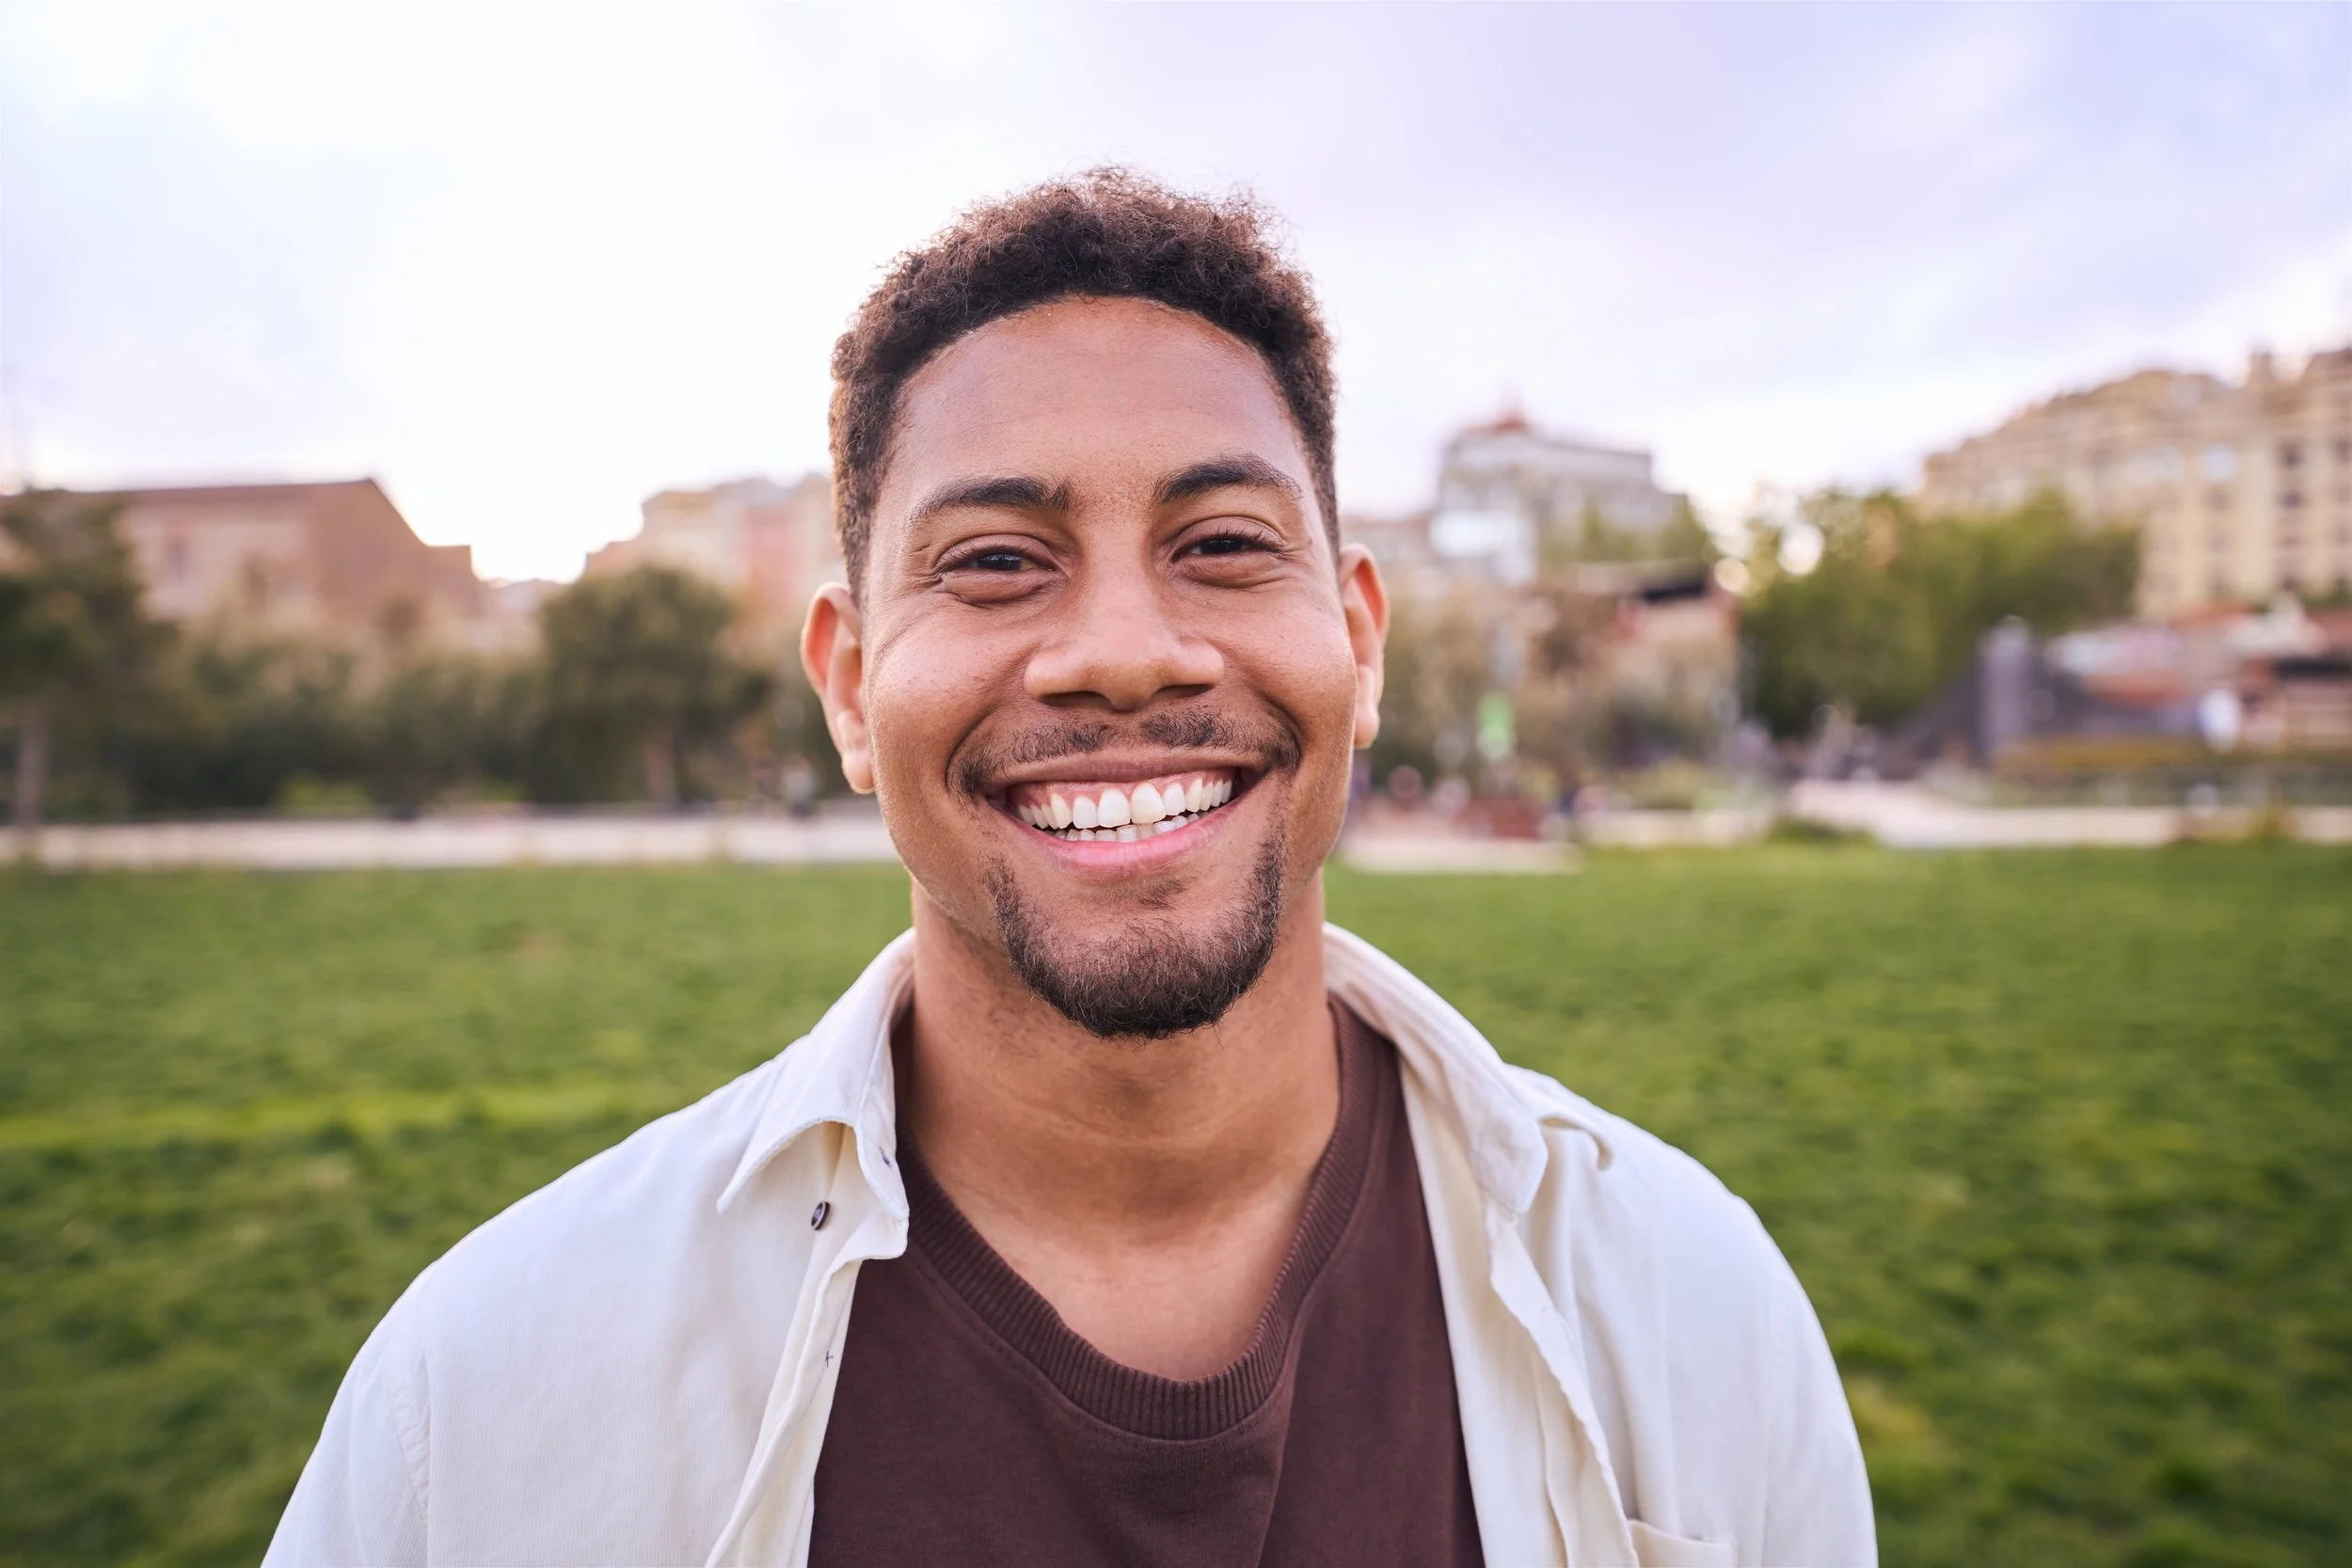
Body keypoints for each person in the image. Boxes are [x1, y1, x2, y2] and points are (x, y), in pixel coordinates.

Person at [267, 170, 1874, 1568]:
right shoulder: (477, 1406)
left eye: (1225, 543)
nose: (1119, 651)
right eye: (996, 564)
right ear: (846, 683)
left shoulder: (1692, 1305)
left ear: (1360, 643)